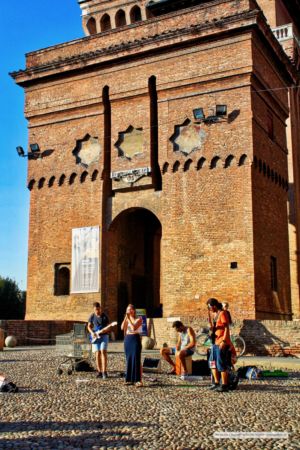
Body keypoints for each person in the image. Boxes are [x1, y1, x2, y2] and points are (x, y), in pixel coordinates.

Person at [207, 297, 232, 392]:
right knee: (212, 363)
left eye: (210, 307)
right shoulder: (215, 314)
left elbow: (226, 328)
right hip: (214, 342)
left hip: (221, 342)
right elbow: (214, 328)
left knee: (221, 363)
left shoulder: (222, 313)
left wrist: (224, 341)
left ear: (214, 306)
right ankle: (216, 383)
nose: (210, 309)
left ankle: (224, 385)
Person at [121, 304, 143, 387]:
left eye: (130, 309)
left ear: (134, 311)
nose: (129, 311)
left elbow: (134, 328)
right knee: (129, 359)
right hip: (128, 339)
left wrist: (129, 318)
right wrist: (125, 318)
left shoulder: (139, 319)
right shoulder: (127, 319)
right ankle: (129, 379)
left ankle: (138, 380)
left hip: (135, 339)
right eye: (127, 310)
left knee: (136, 359)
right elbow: (122, 327)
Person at [87, 302, 110, 379]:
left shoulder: (104, 316)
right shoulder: (92, 316)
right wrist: (92, 333)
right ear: (94, 309)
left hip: (104, 336)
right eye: (96, 309)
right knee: (97, 353)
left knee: (103, 351)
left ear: (100, 308)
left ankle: (104, 372)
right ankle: (99, 371)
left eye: (98, 309)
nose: (97, 311)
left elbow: (109, 327)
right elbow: (89, 326)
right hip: (95, 337)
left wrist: (104, 331)